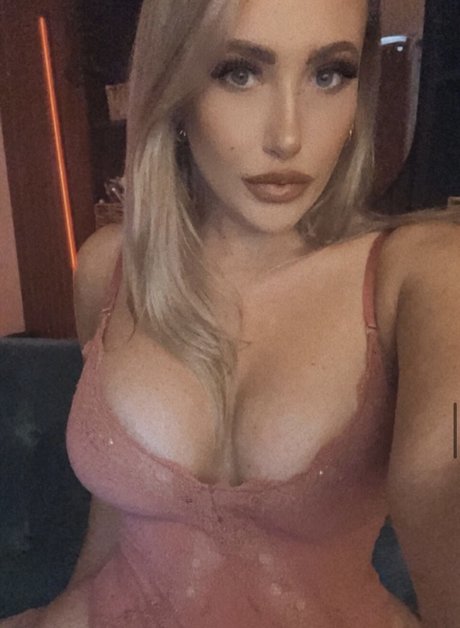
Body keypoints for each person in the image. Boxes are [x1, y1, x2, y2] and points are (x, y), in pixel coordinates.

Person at [2, 0, 460, 625]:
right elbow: (116, 524)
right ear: (175, 87)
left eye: (329, 74)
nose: (288, 136)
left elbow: (441, 474)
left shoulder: (421, 273)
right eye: (239, 72)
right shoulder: (109, 269)